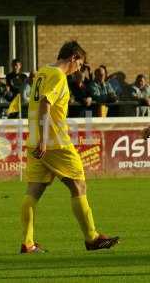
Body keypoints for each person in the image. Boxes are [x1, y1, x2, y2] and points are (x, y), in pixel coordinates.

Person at [21, 41, 119, 253]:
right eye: (80, 64)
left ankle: (28, 243)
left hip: (35, 140)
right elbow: (46, 104)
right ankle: (92, 237)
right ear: (74, 57)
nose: (79, 69)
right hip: (54, 143)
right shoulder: (57, 76)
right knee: (79, 186)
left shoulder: (42, 73)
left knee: (33, 191)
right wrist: (45, 139)